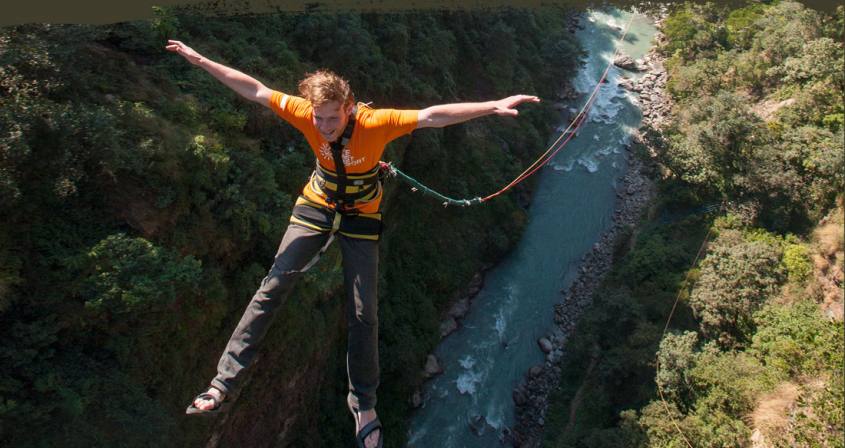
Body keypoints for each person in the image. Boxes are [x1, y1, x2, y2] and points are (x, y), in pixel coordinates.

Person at [166, 39, 539, 448]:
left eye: (331, 118)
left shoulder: (377, 123)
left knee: (364, 313)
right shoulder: (305, 114)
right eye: (319, 119)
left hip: (361, 214)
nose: (324, 126)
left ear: (348, 108)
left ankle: (363, 403)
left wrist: (492, 105)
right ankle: (223, 384)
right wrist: (200, 61)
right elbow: (254, 89)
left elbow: (432, 115)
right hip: (318, 203)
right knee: (273, 286)